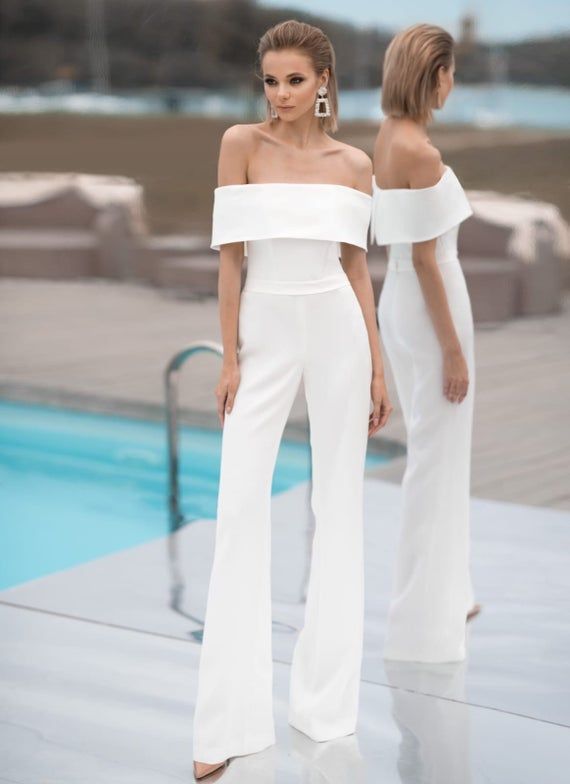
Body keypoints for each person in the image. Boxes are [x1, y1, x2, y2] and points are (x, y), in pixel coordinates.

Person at [192, 19, 392, 779]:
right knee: (240, 512)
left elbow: (355, 267)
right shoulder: (241, 144)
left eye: (294, 81)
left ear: (324, 84)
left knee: (338, 510)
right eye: (271, 81)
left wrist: (377, 363)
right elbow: (230, 262)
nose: (280, 95)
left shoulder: (355, 163)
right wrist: (231, 355)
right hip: (266, 333)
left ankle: (325, 706)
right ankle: (226, 723)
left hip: (338, 329)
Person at [371, 23, 481, 665]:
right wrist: (455, 351)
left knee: (438, 452)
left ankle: (451, 590)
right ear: (431, 73)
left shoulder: (388, 136)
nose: (454, 83)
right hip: (430, 305)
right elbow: (429, 261)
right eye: (450, 71)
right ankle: (419, 621)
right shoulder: (422, 153)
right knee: (436, 459)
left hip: (400, 306)